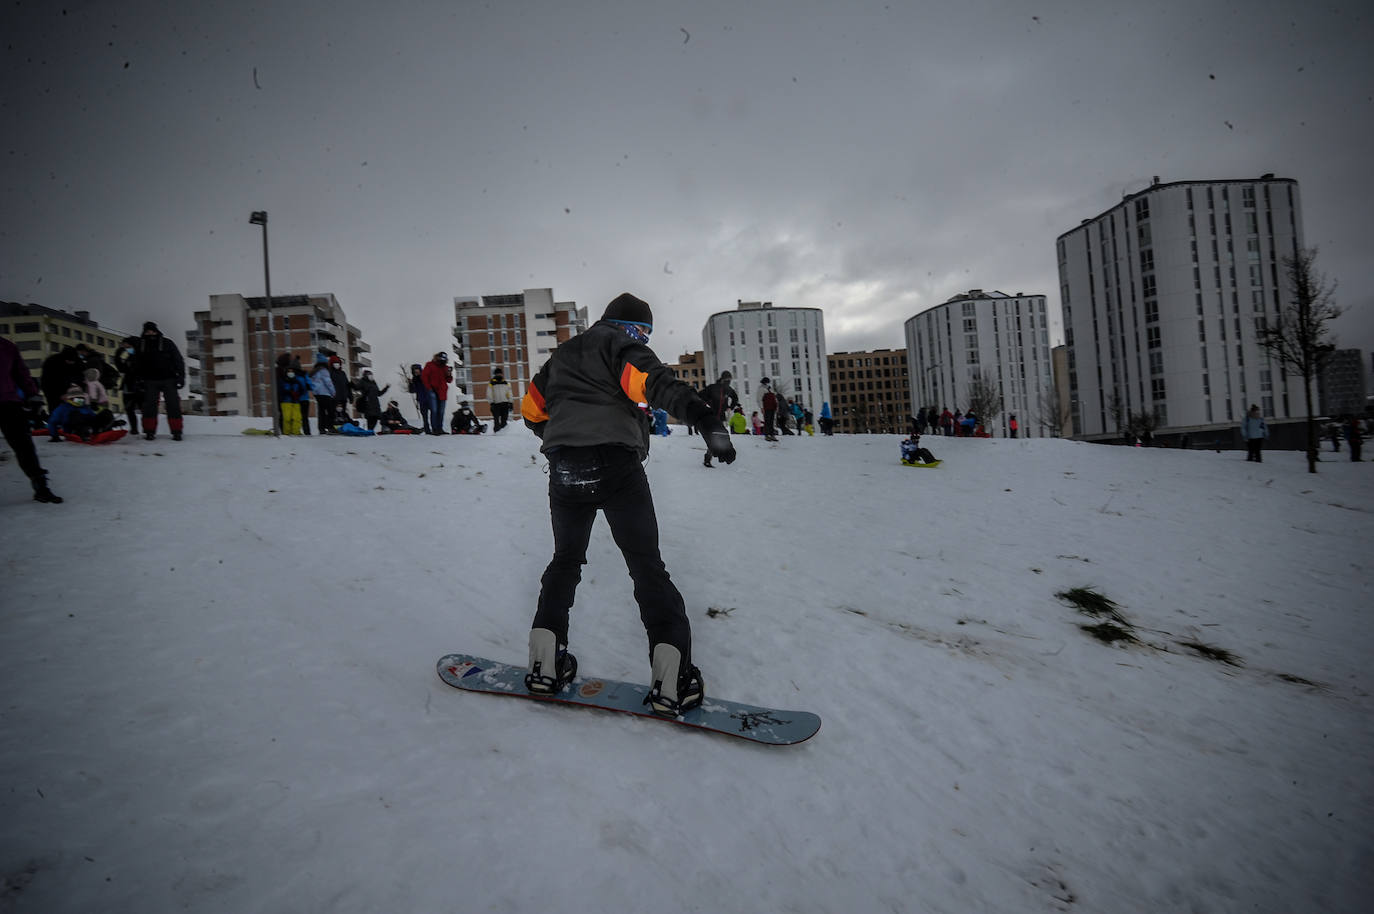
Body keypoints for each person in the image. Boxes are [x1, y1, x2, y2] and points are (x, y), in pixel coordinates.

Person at [520, 292, 735, 718]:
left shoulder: (563, 355)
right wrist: (705, 418)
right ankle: (673, 681)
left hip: (565, 470)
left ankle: (545, 663)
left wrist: (564, 436)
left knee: (565, 561)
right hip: (615, 466)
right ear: (630, 328)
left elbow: (531, 410)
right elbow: (657, 382)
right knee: (646, 566)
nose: (644, 340)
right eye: (644, 333)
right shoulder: (618, 345)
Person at [1, 336, 62, 503]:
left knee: (24, 445)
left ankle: (41, 486)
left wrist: (33, 395)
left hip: (8, 403)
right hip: (8, 400)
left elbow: (21, 374)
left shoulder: (7, 347)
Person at [132, 322, 185, 441]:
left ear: (156, 331)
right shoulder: (141, 345)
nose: (150, 333)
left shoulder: (167, 343)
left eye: (151, 330)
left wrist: (181, 376)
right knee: (149, 407)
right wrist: (138, 380)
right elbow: (136, 364)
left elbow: (178, 360)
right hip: (150, 380)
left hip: (169, 378)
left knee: (173, 405)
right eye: (147, 331)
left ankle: (177, 432)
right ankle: (149, 432)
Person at [698, 371, 739, 467]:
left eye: (730, 380)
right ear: (722, 379)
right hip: (711, 417)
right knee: (712, 438)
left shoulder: (728, 389)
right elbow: (700, 395)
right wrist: (707, 404)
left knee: (719, 437)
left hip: (721, 417)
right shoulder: (713, 387)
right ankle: (708, 459)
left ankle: (711, 456)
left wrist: (730, 407)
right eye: (727, 380)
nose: (728, 382)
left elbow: (735, 398)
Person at [114, 336, 142, 433]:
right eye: (124, 347)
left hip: (139, 387)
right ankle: (134, 429)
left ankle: (147, 430)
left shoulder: (140, 356)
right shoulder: (129, 357)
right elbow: (122, 369)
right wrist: (118, 355)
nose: (126, 348)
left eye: (127, 346)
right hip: (128, 387)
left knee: (143, 409)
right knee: (129, 409)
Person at [422, 352, 452, 434]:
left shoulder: (445, 367)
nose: (442, 360)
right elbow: (424, 376)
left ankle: (440, 428)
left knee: (441, 412)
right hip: (432, 391)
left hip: (442, 392)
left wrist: (449, 374)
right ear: (437, 357)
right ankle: (435, 429)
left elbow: (449, 380)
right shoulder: (429, 365)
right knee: (434, 410)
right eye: (441, 358)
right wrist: (429, 388)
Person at [309, 353, 337, 433]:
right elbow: (328, 382)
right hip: (325, 393)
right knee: (330, 410)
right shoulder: (324, 371)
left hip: (317, 394)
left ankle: (321, 428)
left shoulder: (314, 371)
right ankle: (330, 427)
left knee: (321, 411)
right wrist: (333, 392)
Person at [279, 366, 311, 435]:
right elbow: (281, 390)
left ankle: (296, 432)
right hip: (286, 401)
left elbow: (302, 390)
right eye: (289, 371)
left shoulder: (296, 381)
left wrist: (297, 394)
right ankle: (287, 432)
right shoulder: (283, 380)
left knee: (297, 418)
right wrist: (290, 392)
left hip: (296, 401)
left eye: (292, 371)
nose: (291, 373)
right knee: (287, 418)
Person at [408, 364, 431, 433]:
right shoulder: (414, 380)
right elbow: (412, 391)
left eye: (417, 369)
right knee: (424, 416)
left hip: (430, 398)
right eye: (415, 370)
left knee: (434, 414)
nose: (416, 371)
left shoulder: (425, 377)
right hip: (421, 400)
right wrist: (411, 384)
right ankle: (427, 430)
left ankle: (436, 429)